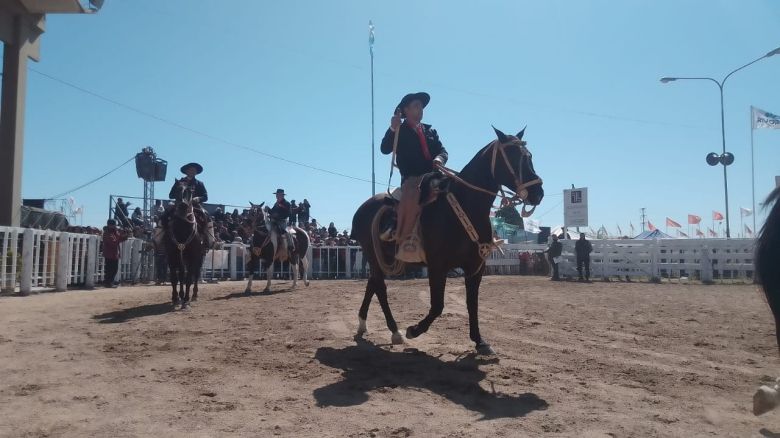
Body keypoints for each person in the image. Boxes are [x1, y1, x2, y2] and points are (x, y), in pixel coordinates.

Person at [380, 91, 448, 263]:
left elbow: (442, 150)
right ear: (405, 110)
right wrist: (392, 129)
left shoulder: (430, 130)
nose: (420, 109)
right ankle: (405, 240)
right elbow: (384, 149)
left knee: (459, 189)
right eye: (416, 106)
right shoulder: (399, 130)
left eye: (421, 106)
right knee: (412, 193)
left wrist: (439, 159)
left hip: (435, 174)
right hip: (412, 178)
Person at [156, 162, 216, 249]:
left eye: (194, 170)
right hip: (179, 205)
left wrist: (198, 199)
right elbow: (171, 195)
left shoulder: (199, 183)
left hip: (194, 206)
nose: (192, 171)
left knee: (207, 217)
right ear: (186, 171)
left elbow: (205, 197)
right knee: (164, 216)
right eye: (190, 170)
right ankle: (156, 241)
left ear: (196, 172)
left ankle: (211, 241)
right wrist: (178, 193)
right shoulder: (179, 182)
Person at [102, 219, 129, 288]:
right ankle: (108, 283)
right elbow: (113, 242)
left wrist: (126, 235)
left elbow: (119, 238)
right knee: (109, 269)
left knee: (114, 269)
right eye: (114, 225)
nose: (115, 226)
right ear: (110, 225)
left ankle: (110, 282)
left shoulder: (114, 232)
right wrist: (121, 236)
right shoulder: (107, 232)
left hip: (114, 253)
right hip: (109, 253)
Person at [268, 189, 294, 253]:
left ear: (282, 195)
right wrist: (268, 209)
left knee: (287, 232)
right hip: (273, 221)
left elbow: (288, 213)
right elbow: (272, 212)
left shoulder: (287, 203)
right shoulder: (276, 203)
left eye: (278, 195)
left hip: (282, 221)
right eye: (276, 195)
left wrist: (278, 216)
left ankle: (291, 246)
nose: (277, 196)